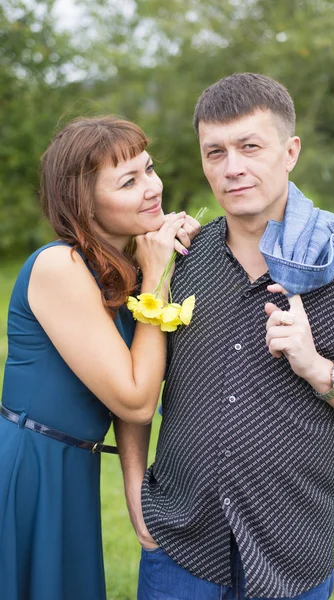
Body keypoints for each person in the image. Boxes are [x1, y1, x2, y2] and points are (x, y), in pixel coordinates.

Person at [115, 73, 334, 600]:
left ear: (290, 151)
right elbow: (134, 387)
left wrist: (319, 368)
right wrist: (135, 490)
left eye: (250, 146)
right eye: (215, 152)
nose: (232, 168)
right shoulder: (177, 259)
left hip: (291, 550)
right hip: (180, 543)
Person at [0, 116, 199, 600]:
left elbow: (133, 379)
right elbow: (135, 399)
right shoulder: (60, 266)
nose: (152, 188)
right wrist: (155, 279)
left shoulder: (119, 266)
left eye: (148, 169)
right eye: (128, 181)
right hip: (30, 465)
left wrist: (136, 488)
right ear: (82, 203)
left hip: (71, 464)